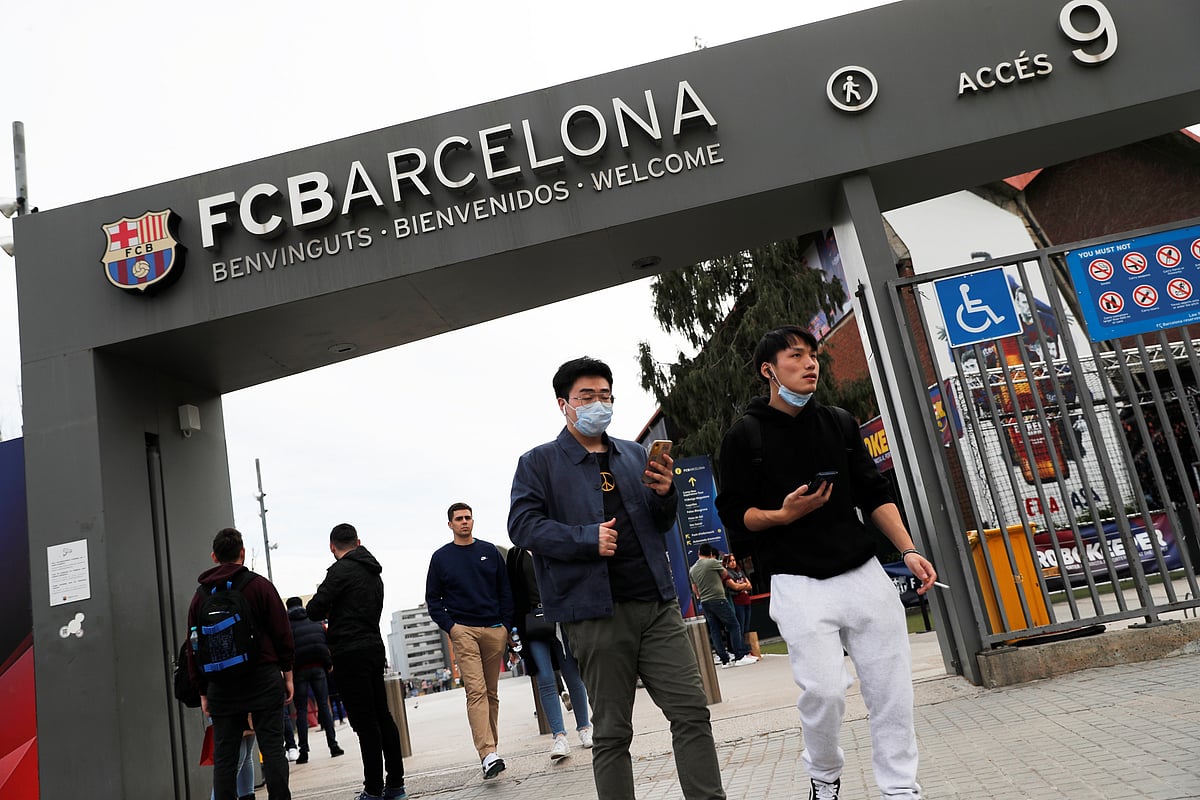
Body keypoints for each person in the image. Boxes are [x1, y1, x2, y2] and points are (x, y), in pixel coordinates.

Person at [715, 326, 936, 800]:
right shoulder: (744, 436)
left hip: (863, 574)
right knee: (824, 693)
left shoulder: (837, 421)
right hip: (798, 582)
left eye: (813, 355)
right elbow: (736, 515)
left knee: (891, 691)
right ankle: (824, 776)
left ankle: (900, 788)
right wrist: (783, 514)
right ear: (768, 369)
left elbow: (874, 493)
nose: (811, 363)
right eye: (796, 356)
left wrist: (909, 549)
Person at [508, 356, 728, 800]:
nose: (598, 404)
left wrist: (666, 495)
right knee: (611, 732)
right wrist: (586, 538)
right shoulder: (539, 463)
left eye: (605, 396)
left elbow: (660, 521)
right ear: (563, 405)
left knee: (691, 712)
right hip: (593, 614)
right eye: (586, 397)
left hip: (657, 605)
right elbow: (523, 526)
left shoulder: (633, 453)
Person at [187, 527, 294, 800]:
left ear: (214, 557)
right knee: (272, 749)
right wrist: (288, 674)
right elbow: (282, 631)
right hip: (263, 677)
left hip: (221, 685)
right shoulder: (259, 586)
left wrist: (202, 690)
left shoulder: (200, 597)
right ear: (242, 553)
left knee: (225, 756)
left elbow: (193, 646)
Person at [307, 523, 406, 800]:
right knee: (382, 715)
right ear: (358, 542)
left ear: (332, 547)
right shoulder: (374, 572)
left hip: (349, 653)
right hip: (374, 647)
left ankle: (373, 789)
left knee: (365, 723)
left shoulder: (339, 572)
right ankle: (395, 785)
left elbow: (315, 609)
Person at [425, 502, 515, 779]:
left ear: (472, 520)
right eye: (459, 519)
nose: (464, 522)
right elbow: (433, 599)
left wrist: (506, 627)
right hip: (463, 631)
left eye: (468, 517)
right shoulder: (441, 558)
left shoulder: (489, 551)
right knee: (475, 691)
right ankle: (487, 753)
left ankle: (492, 751)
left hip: (493, 630)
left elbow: (505, 591)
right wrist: (451, 628)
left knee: (490, 694)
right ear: (450, 524)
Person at [505, 543, 593, 761]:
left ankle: (584, 728)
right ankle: (559, 736)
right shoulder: (515, 555)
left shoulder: (554, 546)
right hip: (532, 622)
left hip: (561, 619)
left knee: (572, 674)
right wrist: (512, 632)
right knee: (544, 677)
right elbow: (512, 593)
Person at [285, 596, 345, 764]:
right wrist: (328, 664)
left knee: (302, 711)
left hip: (298, 673)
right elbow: (324, 641)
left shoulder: (286, 626)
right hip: (318, 668)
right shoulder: (314, 620)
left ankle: (303, 751)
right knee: (324, 706)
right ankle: (333, 746)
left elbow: (286, 649)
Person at [689, 543, 756, 669]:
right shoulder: (712, 562)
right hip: (718, 598)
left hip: (705, 601)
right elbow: (725, 574)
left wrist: (701, 595)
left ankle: (724, 659)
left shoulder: (692, 569)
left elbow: (694, 588)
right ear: (710, 554)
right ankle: (739, 656)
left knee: (715, 630)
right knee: (734, 625)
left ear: (698, 554)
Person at [721, 553, 754, 647]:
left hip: (746, 600)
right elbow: (735, 587)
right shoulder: (727, 574)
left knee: (747, 626)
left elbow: (750, 585)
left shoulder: (740, 572)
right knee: (740, 626)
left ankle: (748, 647)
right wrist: (743, 586)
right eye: (730, 561)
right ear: (726, 563)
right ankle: (741, 648)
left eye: (734, 560)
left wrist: (742, 586)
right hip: (737, 602)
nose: (733, 563)